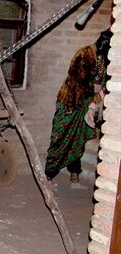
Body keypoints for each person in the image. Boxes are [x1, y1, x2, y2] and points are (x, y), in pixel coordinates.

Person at [45, 30, 112, 184]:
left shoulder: (104, 59)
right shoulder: (85, 54)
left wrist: (94, 103)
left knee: (78, 140)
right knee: (60, 138)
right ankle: (49, 174)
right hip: (69, 102)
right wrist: (94, 88)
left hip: (85, 105)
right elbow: (77, 81)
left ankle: (74, 173)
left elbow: (103, 87)